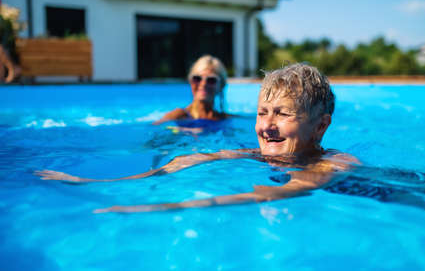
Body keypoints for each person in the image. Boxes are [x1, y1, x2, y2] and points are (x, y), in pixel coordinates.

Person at [35, 63, 359, 213]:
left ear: (320, 127)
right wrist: (92, 183)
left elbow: (272, 195)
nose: (267, 126)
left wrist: (162, 207)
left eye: (283, 114)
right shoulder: (262, 153)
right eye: (262, 113)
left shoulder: (334, 165)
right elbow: (190, 160)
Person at [153, 55, 229, 126]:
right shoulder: (178, 116)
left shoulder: (225, 119)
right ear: (191, 82)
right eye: (197, 79)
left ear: (221, 86)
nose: (203, 84)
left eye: (211, 80)